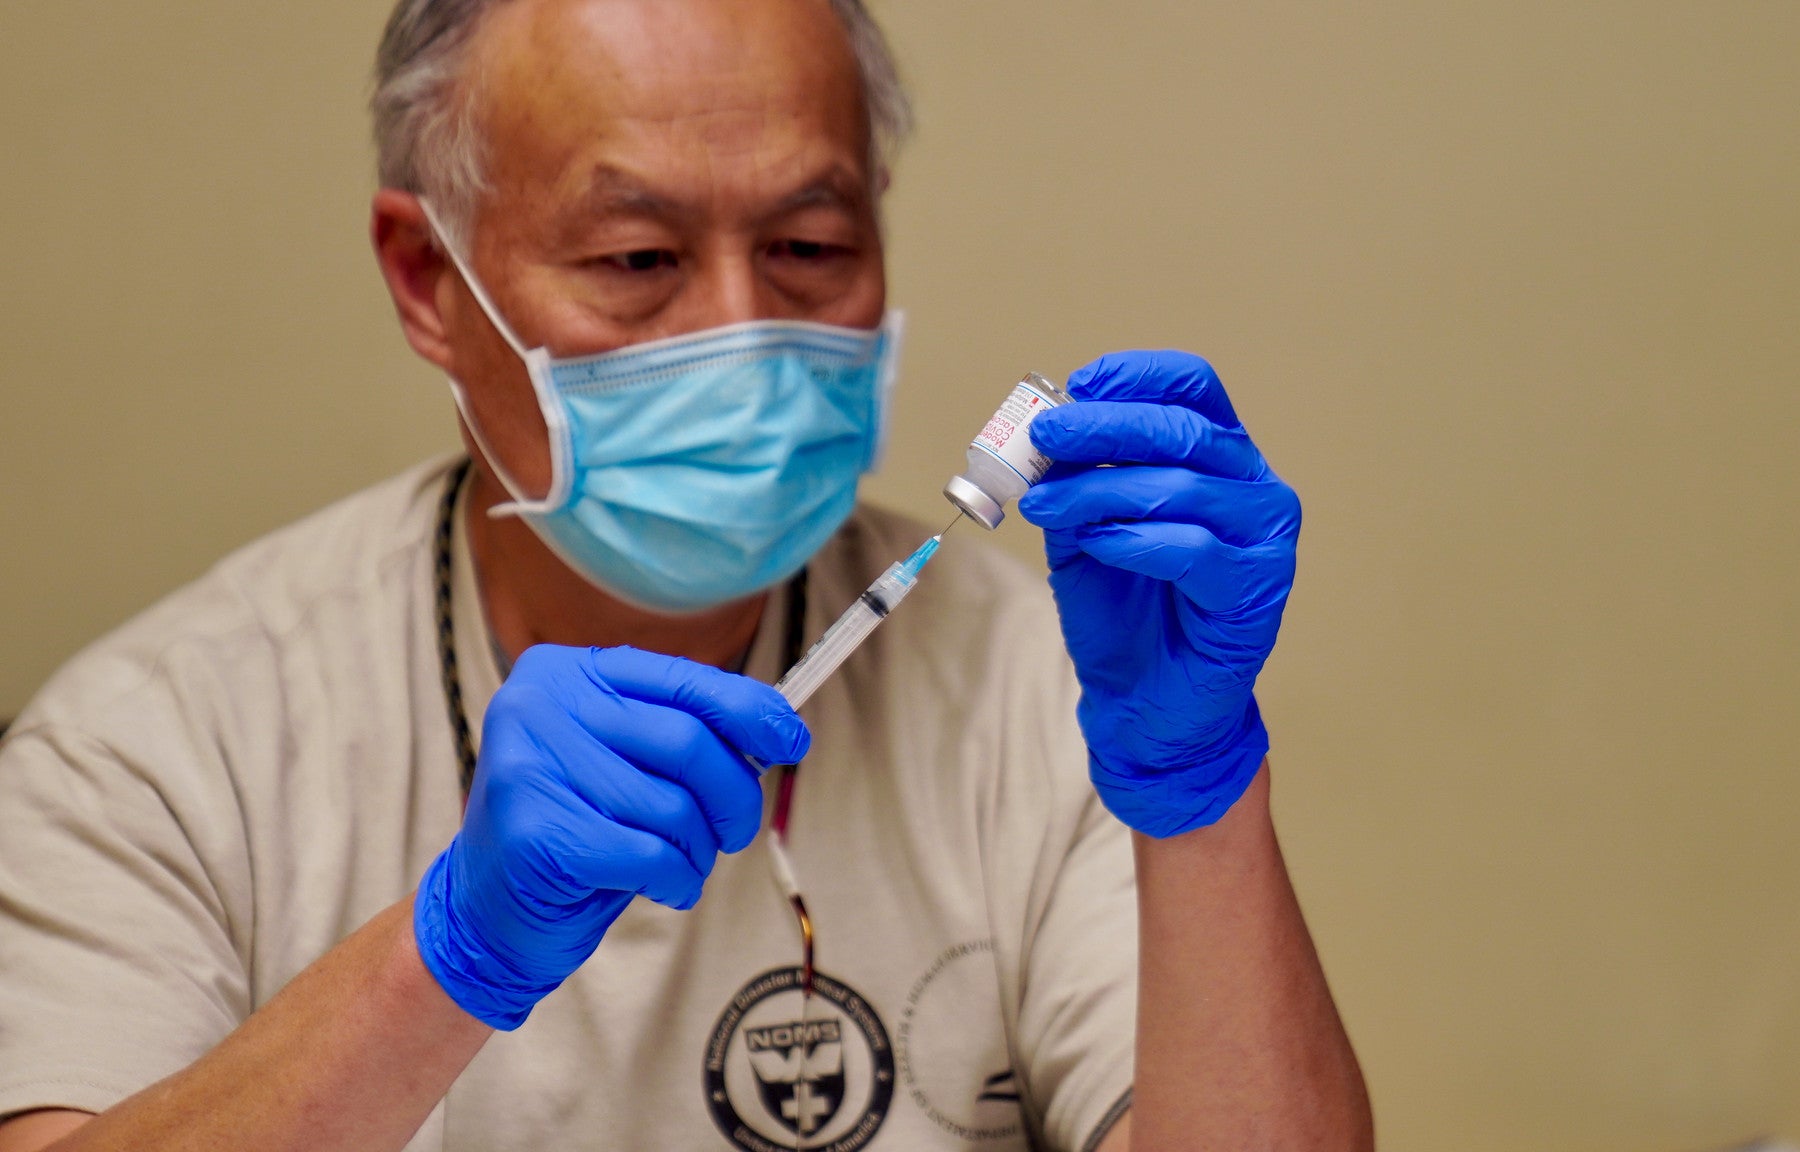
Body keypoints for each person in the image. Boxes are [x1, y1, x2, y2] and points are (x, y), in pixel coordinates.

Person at [0, 1, 1371, 1149]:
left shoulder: (1045, 688)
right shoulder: (156, 750)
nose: (742, 331)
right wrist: (449, 955)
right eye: (637, 260)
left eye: (810, 250)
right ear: (428, 276)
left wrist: (1201, 799)